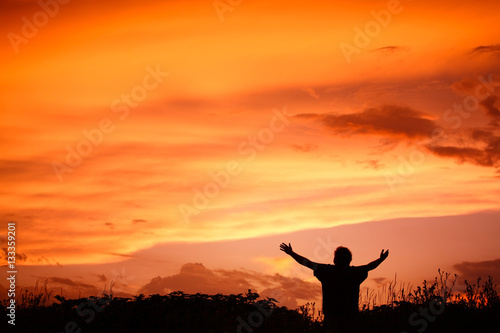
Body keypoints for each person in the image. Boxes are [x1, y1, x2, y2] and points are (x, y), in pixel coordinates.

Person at [280, 243, 389, 332]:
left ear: (335, 259)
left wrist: (291, 253)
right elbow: (369, 267)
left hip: (331, 317)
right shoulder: (354, 273)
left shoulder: (327, 271)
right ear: (350, 260)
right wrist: (381, 259)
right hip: (350, 317)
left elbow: (307, 263)